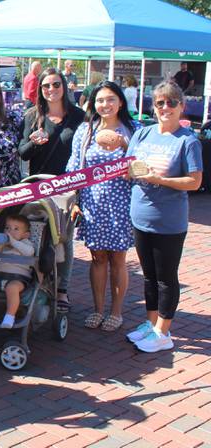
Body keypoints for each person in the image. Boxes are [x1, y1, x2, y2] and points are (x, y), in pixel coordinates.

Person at [125, 81, 202, 353]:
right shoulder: (143, 134)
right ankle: (151, 324)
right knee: (148, 277)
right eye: (160, 103)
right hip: (140, 216)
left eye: (171, 102)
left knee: (166, 278)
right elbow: (128, 167)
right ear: (153, 107)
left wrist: (160, 179)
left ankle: (164, 333)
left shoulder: (188, 141)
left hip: (169, 221)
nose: (165, 108)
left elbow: (194, 182)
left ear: (181, 106)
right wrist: (130, 172)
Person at [67, 81, 140, 332]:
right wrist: (74, 200)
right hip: (93, 202)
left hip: (121, 202)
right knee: (97, 258)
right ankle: (97, 309)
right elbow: (75, 167)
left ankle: (116, 311)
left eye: (110, 99)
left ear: (121, 102)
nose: (105, 105)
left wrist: (124, 145)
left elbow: (143, 166)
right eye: (99, 100)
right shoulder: (85, 130)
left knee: (118, 258)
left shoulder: (134, 129)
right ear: (92, 104)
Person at [19, 67, 84, 310]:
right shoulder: (32, 116)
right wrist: (34, 143)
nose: (51, 90)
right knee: (36, 235)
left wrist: (78, 191)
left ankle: (62, 289)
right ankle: (36, 282)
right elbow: (22, 152)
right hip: (38, 186)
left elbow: (83, 153)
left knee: (62, 239)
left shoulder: (77, 117)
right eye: (46, 85)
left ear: (64, 87)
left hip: (66, 188)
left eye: (56, 85)